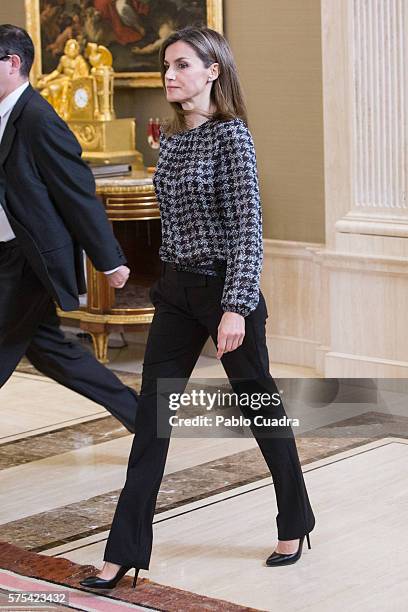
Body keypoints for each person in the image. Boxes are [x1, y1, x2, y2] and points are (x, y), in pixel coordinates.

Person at [80, 26, 315, 590]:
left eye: (182, 65)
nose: (169, 76)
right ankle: (124, 550)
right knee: (151, 424)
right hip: (178, 296)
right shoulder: (174, 140)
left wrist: (235, 308)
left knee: (260, 409)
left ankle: (296, 520)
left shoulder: (233, 138)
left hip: (225, 295)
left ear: (213, 71)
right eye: (166, 66)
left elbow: (248, 231)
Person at [0, 24, 138, 433]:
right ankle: (143, 416)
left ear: (11, 63)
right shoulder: (6, 115)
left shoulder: (39, 119)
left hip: (28, 260)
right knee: (49, 350)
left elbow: (77, 193)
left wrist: (109, 260)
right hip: (8, 254)